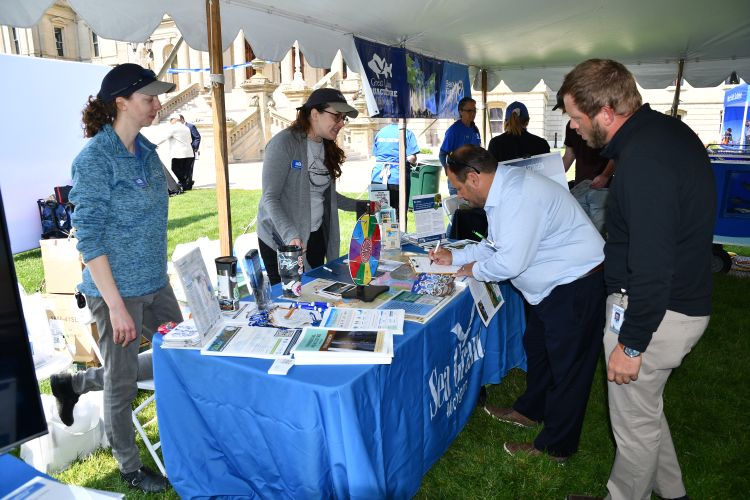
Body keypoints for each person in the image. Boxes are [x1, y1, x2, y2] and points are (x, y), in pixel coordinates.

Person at [559, 59, 715, 500]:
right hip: (668, 304)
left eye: (575, 116)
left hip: (657, 312)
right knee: (644, 413)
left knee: (633, 426)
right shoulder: (661, 134)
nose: (573, 127)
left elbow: (652, 260)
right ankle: (673, 492)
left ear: (606, 111)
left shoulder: (645, 158)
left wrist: (632, 343)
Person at [49, 63, 182, 493]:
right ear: (121, 103)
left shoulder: (145, 149)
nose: (158, 105)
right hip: (115, 292)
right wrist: (118, 305)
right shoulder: (93, 159)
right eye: (149, 98)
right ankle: (129, 466)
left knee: (179, 354)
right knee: (122, 383)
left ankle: (75, 384)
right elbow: (87, 239)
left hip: (155, 282)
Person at [430, 144, 605, 461]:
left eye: (458, 188)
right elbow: (495, 246)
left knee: (568, 371)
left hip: (575, 284)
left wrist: (472, 269)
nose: (460, 196)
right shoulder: (503, 189)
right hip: (554, 286)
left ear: (474, 177)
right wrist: (454, 256)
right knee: (538, 348)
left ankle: (556, 446)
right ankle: (531, 410)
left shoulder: (517, 196)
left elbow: (509, 263)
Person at [256, 87, 359, 285]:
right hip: (283, 240)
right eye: (336, 116)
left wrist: (360, 205)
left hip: (314, 236)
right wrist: (290, 235)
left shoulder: (326, 146)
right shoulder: (283, 144)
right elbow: (270, 197)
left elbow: (326, 196)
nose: (341, 124)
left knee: (315, 289)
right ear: (314, 114)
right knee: (290, 299)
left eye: (343, 118)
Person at [559, 107, 615, 235]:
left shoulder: (601, 123)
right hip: (580, 187)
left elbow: (616, 155)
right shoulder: (571, 126)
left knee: (598, 236)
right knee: (580, 234)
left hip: (602, 189)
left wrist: (605, 176)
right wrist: (554, 176)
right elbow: (569, 156)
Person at [371, 118, 420, 219]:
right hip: (397, 178)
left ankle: (379, 234)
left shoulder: (381, 132)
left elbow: (375, 156)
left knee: (378, 214)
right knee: (398, 215)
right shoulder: (406, 133)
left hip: (378, 178)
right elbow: (412, 158)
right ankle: (398, 234)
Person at [439, 97, 481, 195]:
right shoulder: (453, 131)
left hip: (472, 177)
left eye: (474, 110)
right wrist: (447, 170)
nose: (473, 113)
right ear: (460, 112)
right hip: (457, 178)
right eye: (469, 110)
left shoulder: (475, 129)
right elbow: (442, 154)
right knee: (457, 209)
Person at [161, 114, 195, 190]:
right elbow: (190, 140)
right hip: (189, 153)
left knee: (175, 168)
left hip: (179, 153)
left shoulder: (173, 128)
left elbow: (164, 137)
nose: (170, 122)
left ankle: (185, 183)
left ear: (175, 120)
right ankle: (187, 184)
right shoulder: (186, 128)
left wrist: (153, 144)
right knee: (185, 171)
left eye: (171, 120)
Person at [179, 114, 201, 188]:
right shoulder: (178, 128)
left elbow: (197, 137)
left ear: (182, 119)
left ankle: (187, 185)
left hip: (190, 151)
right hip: (181, 151)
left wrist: (194, 147)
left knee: (188, 168)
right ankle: (185, 182)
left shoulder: (190, 126)